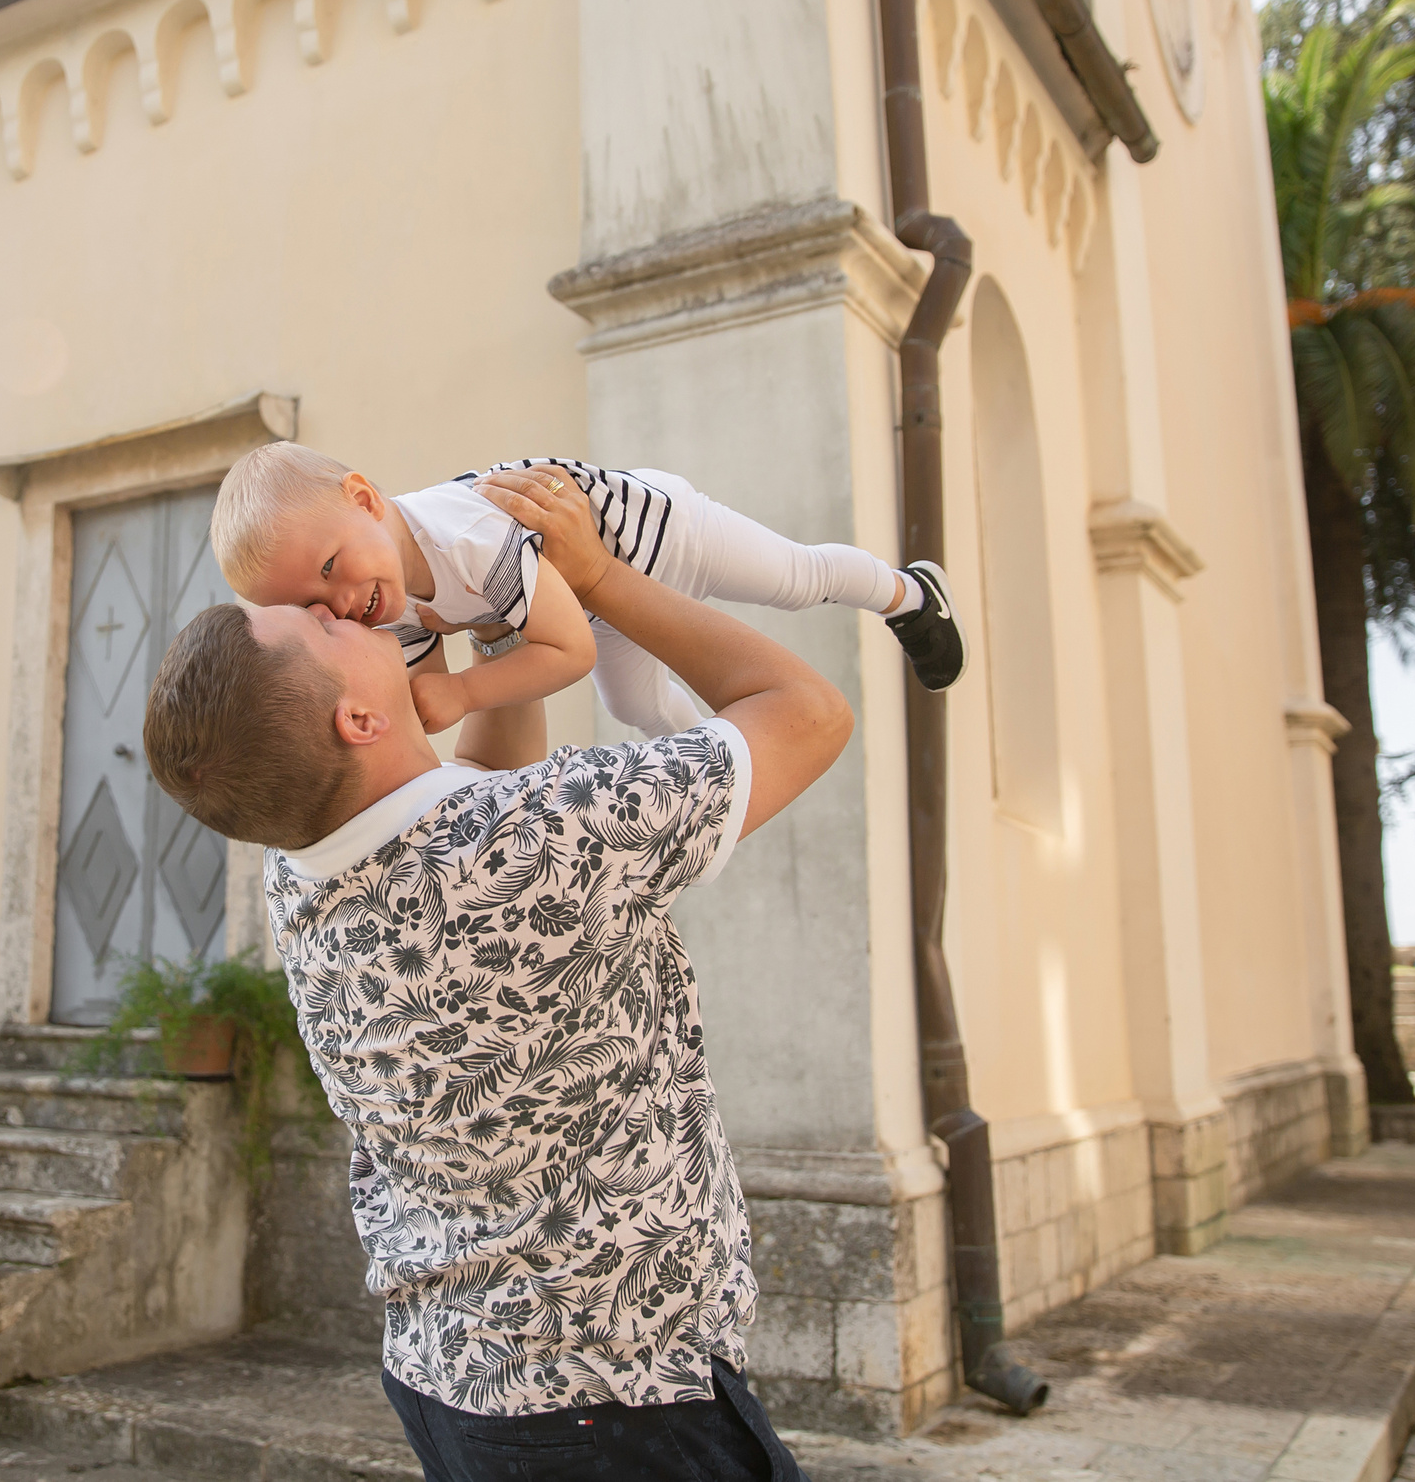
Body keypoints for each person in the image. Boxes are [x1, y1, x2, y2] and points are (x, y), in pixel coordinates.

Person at [142, 461, 856, 1481]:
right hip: (617, 1398)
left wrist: (506, 620)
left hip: (457, 1377)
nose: (346, 608)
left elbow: (474, 791)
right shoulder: (546, 837)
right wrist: (598, 579)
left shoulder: (300, 870)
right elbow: (808, 710)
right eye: (328, 625)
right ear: (358, 720)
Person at [208, 440, 963, 737]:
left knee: (794, 578)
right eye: (313, 605)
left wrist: (468, 695)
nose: (339, 603)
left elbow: (562, 652)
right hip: (585, 600)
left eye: (333, 566)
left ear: (367, 499)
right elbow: (419, 703)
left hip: (656, 536)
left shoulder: (465, 538)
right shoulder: (386, 610)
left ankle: (907, 592)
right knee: (632, 703)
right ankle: (708, 773)